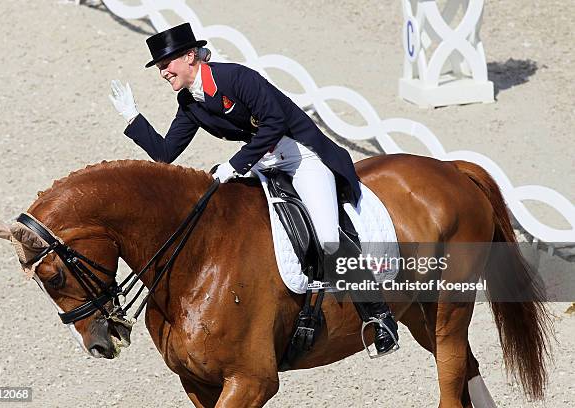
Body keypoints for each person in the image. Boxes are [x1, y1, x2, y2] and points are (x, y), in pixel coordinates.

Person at [109, 22, 398, 355]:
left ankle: (379, 316)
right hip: (264, 160)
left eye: (166, 64)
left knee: (327, 236)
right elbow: (165, 153)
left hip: (300, 155)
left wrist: (236, 164)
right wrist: (133, 118)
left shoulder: (236, 78)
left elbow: (274, 122)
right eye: (160, 67)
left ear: (190, 56)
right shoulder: (191, 102)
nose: (163, 73)